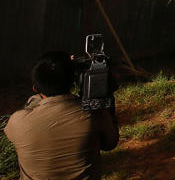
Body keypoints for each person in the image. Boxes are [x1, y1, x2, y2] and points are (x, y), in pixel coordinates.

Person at [4, 51, 119, 180]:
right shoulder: (94, 115)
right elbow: (110, 143)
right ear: (73, 81)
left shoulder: (18, 122)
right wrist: (106, 103)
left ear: (35, 88)